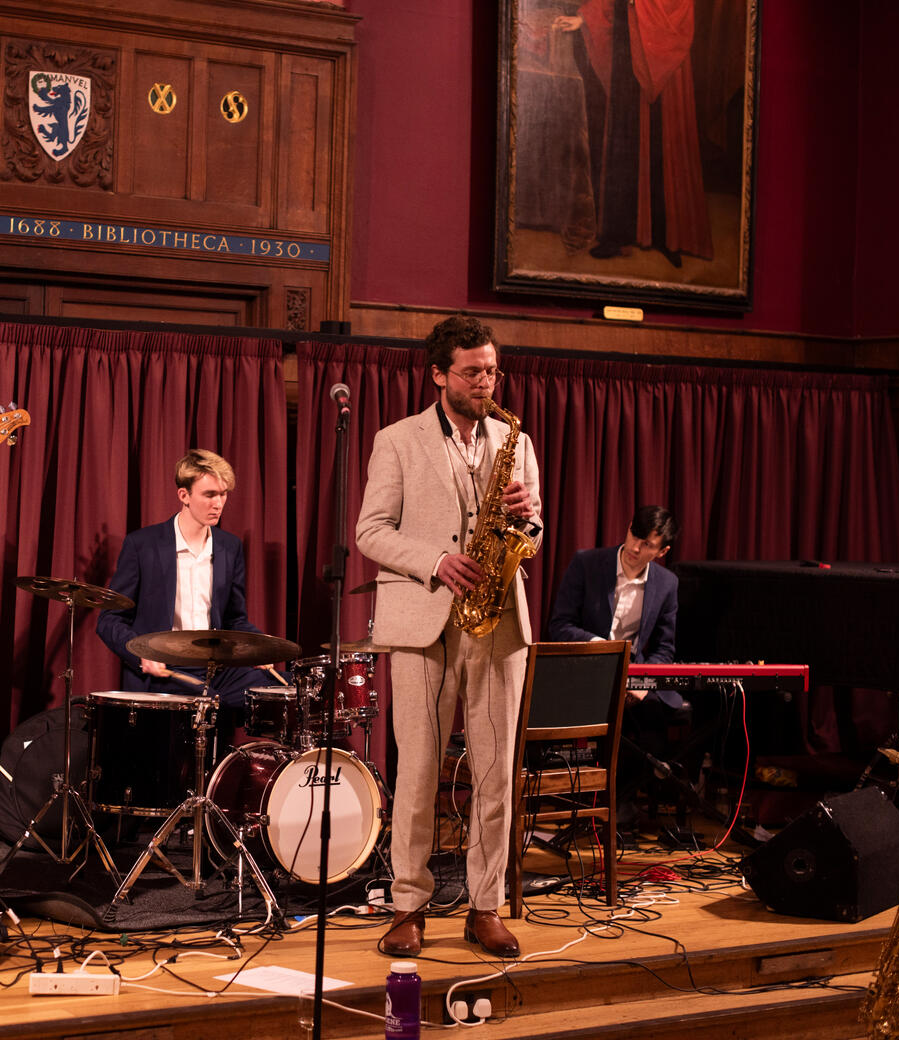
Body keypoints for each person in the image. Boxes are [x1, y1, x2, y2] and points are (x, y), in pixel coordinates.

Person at [356, 315, 542, 958]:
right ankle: (408, 903)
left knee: (495, 772)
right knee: (418, 771)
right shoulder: (396, 439)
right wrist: (435, 560)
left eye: (492, 370)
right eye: (472, 372)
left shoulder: (517, 440)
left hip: (498, 622)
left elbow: (534, 535)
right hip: (423, 620)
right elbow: (370, 531)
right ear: (438, 375)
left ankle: (485, 905)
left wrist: (527, 520)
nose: (485, 382)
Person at [96, 449, 269, 730]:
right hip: (165, 670)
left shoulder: (229, 547)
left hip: (215, 669)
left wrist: (261, 648)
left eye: (223, 494)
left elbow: (235, 619)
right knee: (207, 703)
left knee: (281, 689)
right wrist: (141, 654)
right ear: (184, 495)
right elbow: (109, 620)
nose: (218, 503)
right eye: (209, 494)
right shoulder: (143, 545)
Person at [548, 505, 684, 815]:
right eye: (635, 535)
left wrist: (642, 683)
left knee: (652, 720)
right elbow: (560, 625)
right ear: (628, 527)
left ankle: (621, 806)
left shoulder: (667, 584)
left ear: (662, 551)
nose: (636, 547)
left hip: (633, 675)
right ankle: (593, 805)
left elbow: (664, 648)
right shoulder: (586, 563)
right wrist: (601, 648)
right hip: (586, 668)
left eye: (648, 544)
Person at [554, 0, 713, 266]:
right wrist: (586, 19)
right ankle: (618, 236)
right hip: (626, 48)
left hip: (659, 49)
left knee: (662, 142)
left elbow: (680, 7)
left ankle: (666, 237)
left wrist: (640, 4)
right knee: (623, 140)